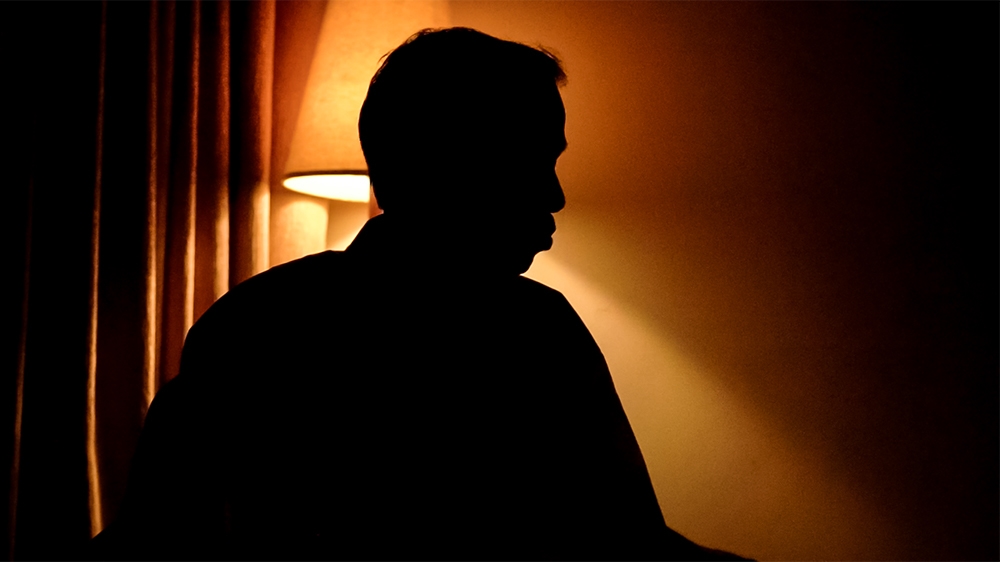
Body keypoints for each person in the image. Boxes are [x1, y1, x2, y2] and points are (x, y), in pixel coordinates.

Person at [90, 27, 744, 560]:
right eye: (531, 162)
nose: (555, 195)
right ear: (449, 165)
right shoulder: (535, 332)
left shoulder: (252, 322)